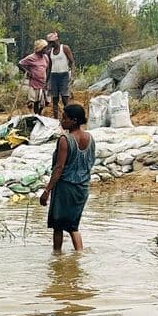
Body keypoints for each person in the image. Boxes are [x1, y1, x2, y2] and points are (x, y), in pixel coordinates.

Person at [39, 102, 96, 252]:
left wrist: (47, 191)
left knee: (58, 225)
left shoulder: (65, 140)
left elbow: (59, 168)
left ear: (74, 121)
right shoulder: (90, 138)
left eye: (65, 118)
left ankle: (57, 256)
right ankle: (79, 256)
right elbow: (90, 162)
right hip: (82, 188)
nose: (62, 121)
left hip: (65, 187)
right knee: (73, 226)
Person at [44, 31, 74, 119]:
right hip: (54, 76)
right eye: (50, 43)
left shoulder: (64, 48)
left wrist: (72, 75)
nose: (51, 44)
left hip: (64, 75)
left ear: (57, 40)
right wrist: (46, 81)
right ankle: (56, 119)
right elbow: (49, 67)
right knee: (55, 99)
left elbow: (72, 62)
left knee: (65, 98)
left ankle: (67, 118)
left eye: (52, 42)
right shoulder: (50, 52)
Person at [17, 40, 50, 116]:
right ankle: (35, 115)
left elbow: (47, 68)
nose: (45, 50)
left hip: (43, 83)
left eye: (46, 48)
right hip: (34, 83)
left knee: (42, 103)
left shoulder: (45, 57)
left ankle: (38, 114)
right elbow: (20, 64)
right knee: (35, 101)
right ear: (39, 48)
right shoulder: (31, 57)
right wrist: (28, 72)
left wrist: (47, 80)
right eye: (44, 48)